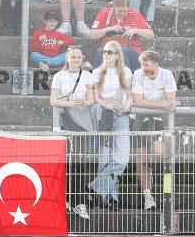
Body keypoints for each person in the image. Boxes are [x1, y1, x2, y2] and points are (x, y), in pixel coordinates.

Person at [49, 47, 93, 220]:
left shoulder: (88, 76)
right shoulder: (59, 76)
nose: (75, 59)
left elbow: (92, 99)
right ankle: (66, 200)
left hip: (83, 123)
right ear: (67, 58)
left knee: (81, 163)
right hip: (66, 122)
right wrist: (70, 103)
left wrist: (84, 102)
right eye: (72, 57)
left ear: (82, 59)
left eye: (78, 57)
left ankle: (79, 202)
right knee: (67, 163)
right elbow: (52, 100)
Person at [88, 40, 132, 208]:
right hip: (104, 116)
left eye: (110, 52)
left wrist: (127, 105)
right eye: (104, 52)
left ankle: (94, 187)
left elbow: (130, 96)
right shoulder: (98, 72)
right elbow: (96, 97)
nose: (106, 55)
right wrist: (106, 105)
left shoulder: (126, 71)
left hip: (121, 116)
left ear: (117, 55)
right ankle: (110, 199)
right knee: (104, 158)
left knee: (122, 159)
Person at [130, 50, 176, 211]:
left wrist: (158, 104)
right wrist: (161, 104)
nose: (144, 68)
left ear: (156, 64)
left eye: (147, 65)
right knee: (140, 160)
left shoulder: (167, 74)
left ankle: (151, 168)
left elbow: (171, 100)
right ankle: (147, 196)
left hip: (157, 120)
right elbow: (138, 101)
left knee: (159, 153)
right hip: (138, 119)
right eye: (142, 65)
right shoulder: (137, 74)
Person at [89, 0, 154, 71]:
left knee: (120, 52)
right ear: (115, 6)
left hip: (131, 51)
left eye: (125, 11)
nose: (122, 14)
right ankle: (99, 80)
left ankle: (123, 81)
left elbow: (151, 35)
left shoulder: (135, 15)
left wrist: (135, 30)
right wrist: (109, 29)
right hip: (108, 49)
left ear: (129, 8)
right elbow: (92, 35)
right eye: (120, 11)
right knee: (101, 52)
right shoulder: (104, 13)